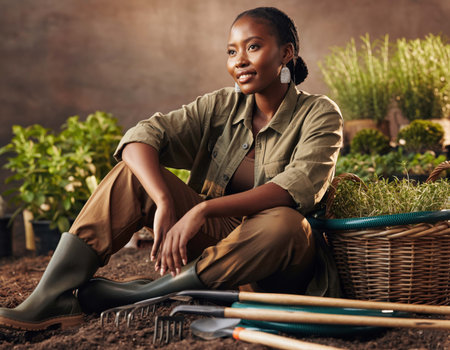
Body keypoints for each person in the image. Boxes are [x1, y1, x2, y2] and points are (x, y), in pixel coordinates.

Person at [0, 6, 343, 331]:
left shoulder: (320, 113)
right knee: (130, 174)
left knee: (286, 222)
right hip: (216, 246)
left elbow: (293, 188)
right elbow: (141, 137)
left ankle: (149, 293)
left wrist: (203, 209)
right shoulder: (222, 105)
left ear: (286, 53)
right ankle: (51, 298)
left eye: (253, 47)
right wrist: (164, 200)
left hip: (278, 261)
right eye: (231, 51)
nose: (240, 60)